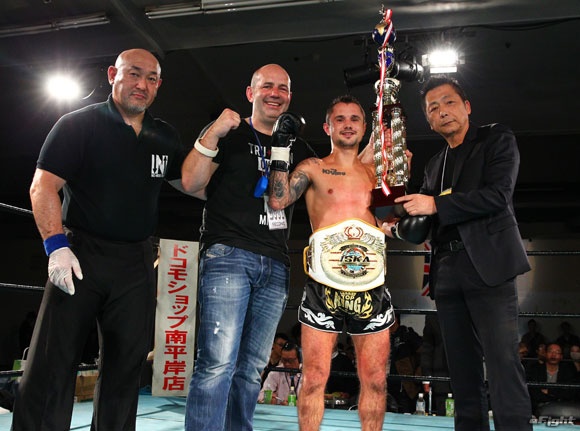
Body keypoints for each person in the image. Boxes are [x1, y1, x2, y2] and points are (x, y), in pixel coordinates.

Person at [11, 49, 186, 431]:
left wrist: (217, 139)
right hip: (81, 254)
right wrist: (56, 247)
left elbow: (194, 183)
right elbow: (43, 187)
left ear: (158, 85)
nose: (141, 85)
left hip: (136, 261)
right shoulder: (78, 124)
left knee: (126, 368)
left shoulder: (164, 135)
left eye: (151, 78)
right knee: (52, 363)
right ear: (112, 74)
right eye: (133, 74)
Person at [384, 76, 533, 431]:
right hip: (447, 271)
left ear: (467, 106)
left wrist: (435, 204)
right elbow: (422, 219)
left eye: (449, 102)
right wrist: (393, 215)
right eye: (433, 108)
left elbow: (498, 195)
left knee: (502, 364)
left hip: (488, 267)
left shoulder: (495, 138)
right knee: (461, 372)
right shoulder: (435, 164)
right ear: (429, 121)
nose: (442, 111)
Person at [181, 64, 314, 431]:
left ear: (290, 96)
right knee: (217, 362)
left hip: (275, 262)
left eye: (283, 88)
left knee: (253, 366)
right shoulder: (230, 133)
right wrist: (213, 132)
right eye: (267, 86)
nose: (275, 93)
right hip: (229, 253)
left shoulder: (298, 145)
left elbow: (291, 196)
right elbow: (190, 182)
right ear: (250, 93)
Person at [268, 95, 395, 431]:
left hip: (370, 285)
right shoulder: (313, 167)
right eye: (340, 119)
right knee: (313, 378)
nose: (348, 125)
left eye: (354, 119)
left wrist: (405, 218)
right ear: (327, 127)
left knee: (375, 379)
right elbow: (278, 200)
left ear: (364, 128)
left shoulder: (378, 174)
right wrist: (279, 148)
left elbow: (390, 224)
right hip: (323, 286)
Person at [526, 342, 579, 415]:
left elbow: (570, 393)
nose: (553, 355)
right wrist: (556, 396)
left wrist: (550, 391)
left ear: (561, 356)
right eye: (550, 351)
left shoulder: (568, 371)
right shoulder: (535, 369)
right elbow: (533, 392)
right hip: (538, 408)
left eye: (557, 352)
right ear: (545, 354)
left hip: (563, 408)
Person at [420, 313, 451, 416]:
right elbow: (427, 348)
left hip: (465, 376)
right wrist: (426, 377)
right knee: (442, 413)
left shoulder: (469, 311)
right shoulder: (432, 317)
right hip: (441, 375)